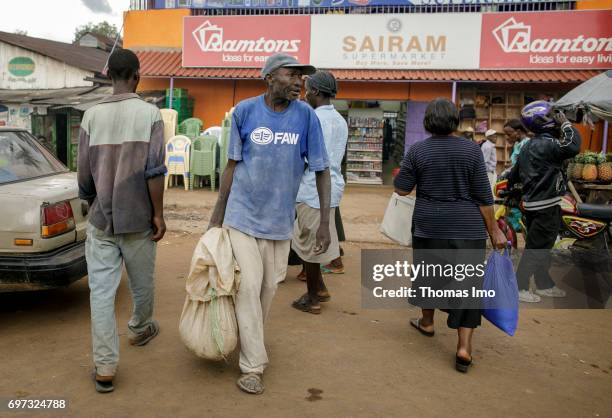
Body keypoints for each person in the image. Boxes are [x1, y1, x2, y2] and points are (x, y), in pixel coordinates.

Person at [208, 53, 331, 395]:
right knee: (247, 287)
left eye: (302, 78)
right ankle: (252, 366)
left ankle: (249, 341)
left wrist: (324, 221)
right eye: (292, 75)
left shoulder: (306, 116)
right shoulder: (245, 111)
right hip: (242, 215)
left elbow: (321, 169)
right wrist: (216, 218)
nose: (299, 82)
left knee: (268, 289)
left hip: (279, 221)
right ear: (269, 77)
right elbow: (231, 166)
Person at [394, 98, 506, 373]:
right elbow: (483, 196)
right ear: (455, 121)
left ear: (428, 122)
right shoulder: (471, 151)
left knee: (429, 274)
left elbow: (402, 189)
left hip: (429, 225)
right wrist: (494, 231)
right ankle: (464, 348)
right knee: (468, 285)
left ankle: (427, 323)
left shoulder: (417, 150)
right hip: (468, 228)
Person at [77, 49, 167, 393]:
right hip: (138, 219)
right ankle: (140, 328)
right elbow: (155, 170)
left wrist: (90, 199)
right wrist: (158, 214)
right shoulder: (150, 115)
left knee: (100, 294)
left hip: (101, 220)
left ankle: (105, 367)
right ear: (137, 75)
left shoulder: (91, 116)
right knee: (142, 282)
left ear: (109, 75)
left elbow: (83, 173)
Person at [509, 101, 581, 303]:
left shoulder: (527, 146)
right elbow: (573, 146)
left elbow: (514, 174)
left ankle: (544, 283)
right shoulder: (550, 145)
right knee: (537, 249)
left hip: (532, 206)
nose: (556, 118)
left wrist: (511, 190)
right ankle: (519, 286)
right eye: (553, 115)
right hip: (546, 205)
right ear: (543, 121)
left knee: (541, 247)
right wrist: (567, 125)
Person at [291, 71, 348, 314]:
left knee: (310, 243)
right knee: (309, 238)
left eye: (307, 89)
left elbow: (306, 158)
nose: (304, 94)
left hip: (311, 189)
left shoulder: (312, 119)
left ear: (314, 91)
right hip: (331, 188)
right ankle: (320, 287)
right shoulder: (339, 120)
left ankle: (313, 297)